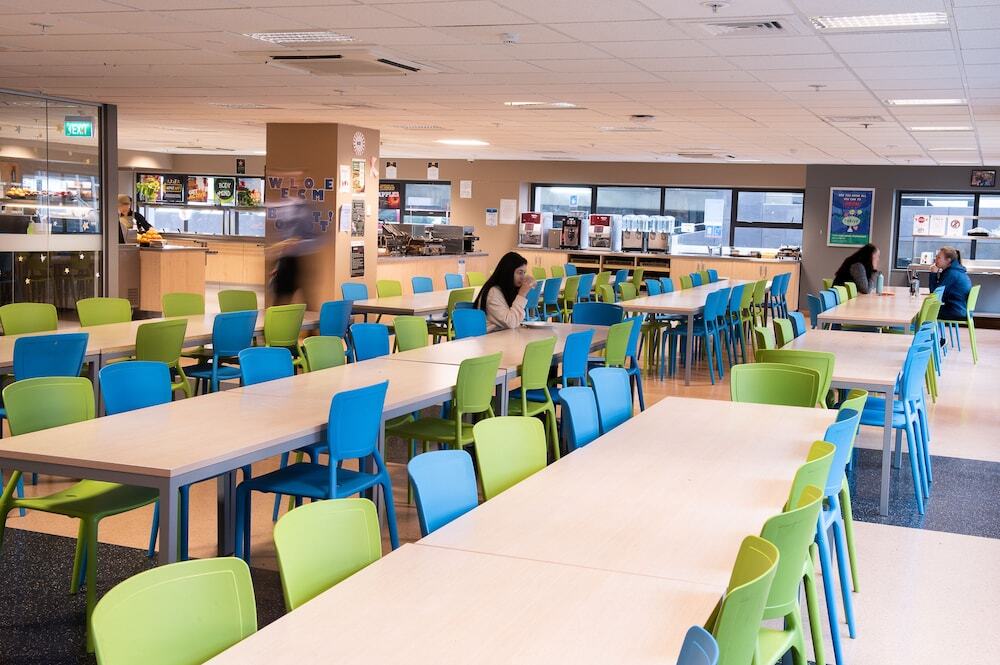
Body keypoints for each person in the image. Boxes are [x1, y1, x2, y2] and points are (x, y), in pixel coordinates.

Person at [475, 251, 535, 332]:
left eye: (524, 273)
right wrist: (522, 294)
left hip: (503, 335)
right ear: (508, 272)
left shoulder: (508, 290)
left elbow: (517, 320)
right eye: (520, 272)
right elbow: (511, 322)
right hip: (491, 337)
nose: (523, 277)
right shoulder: (493, 292)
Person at [929, 246, 972, 321]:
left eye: (939, 258)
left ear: (948, 260)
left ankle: (918, 329)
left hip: (955, 311)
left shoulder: (951, 273)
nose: (936, 260)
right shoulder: (956, 271)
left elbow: (935, 294)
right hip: (961, 309)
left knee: (924, 311)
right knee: (928, 309)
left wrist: (933, 274)